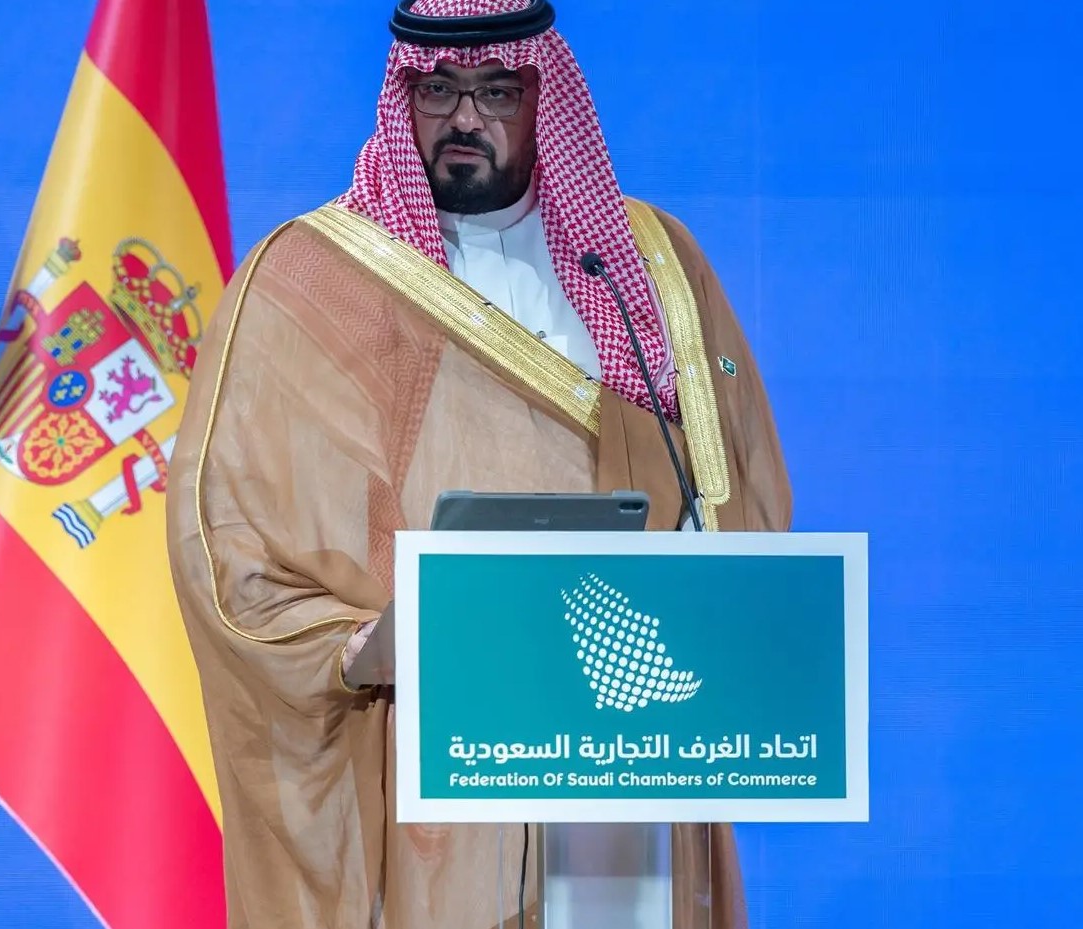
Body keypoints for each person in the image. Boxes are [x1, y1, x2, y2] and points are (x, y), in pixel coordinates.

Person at [164, 0, 791, 926]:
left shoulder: (649, 264)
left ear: (543, 97)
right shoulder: (309, 281)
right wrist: (349, 643)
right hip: (430, 758)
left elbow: (736, 486)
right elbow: (228, 544)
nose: (465, 117)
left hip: (621, 748)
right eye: (438, 91)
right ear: (402, 96)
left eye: (496, 90)